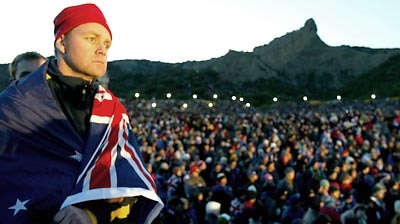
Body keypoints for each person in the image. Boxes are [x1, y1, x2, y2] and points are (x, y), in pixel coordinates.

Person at [0, 3, 163, 223]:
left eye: (107, 43)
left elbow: (129, 186)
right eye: (91, 38)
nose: (102, 49)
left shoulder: (113, 110)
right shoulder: (12, 106)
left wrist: (92, 215)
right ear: (62, 43)